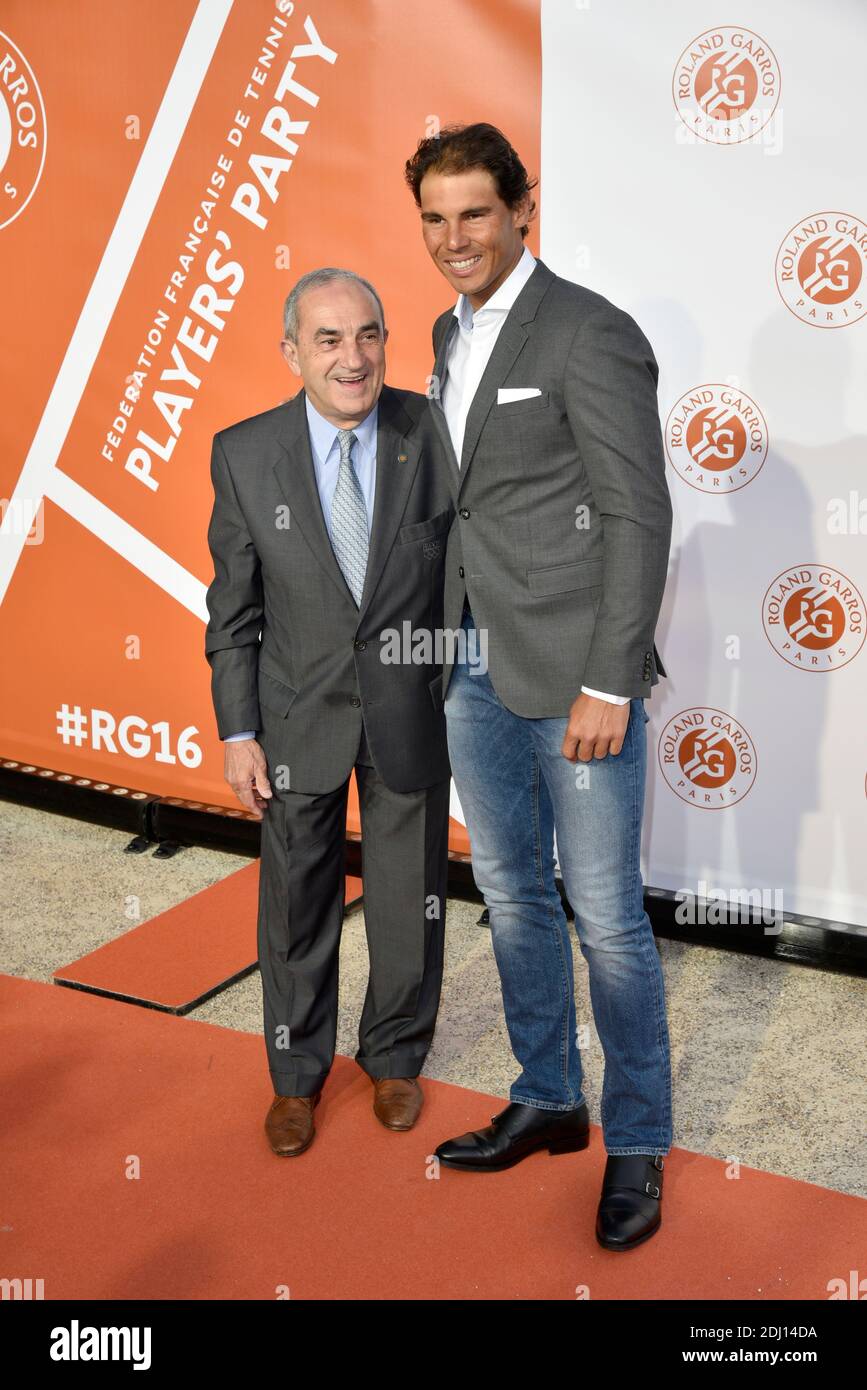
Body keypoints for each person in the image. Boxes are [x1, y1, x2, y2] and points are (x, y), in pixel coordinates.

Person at [404, 123, 673, 1251]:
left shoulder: (591, 333)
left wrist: (610, 679)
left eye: (475, 213)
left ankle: (640, 1144)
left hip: (577, 678)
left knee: (607, 918)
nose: (455, 238)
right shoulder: (445, 332)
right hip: (469, 660)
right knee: (511, 894)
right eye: (435, 218)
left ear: (524, 209)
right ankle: (551, 1094)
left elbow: (635, 513)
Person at [204, 268, 453, 1156]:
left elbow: (462, 575)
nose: (354, 359)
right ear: (291, 352)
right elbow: (233, 611)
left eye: (369, 335)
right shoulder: (242, 452)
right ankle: (295, 1077)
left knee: (406, 901)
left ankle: (394, 1058)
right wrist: (238, 732)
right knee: (295, 904)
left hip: (410, 713)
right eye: (329, 340)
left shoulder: (431, 433)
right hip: (293, 720)